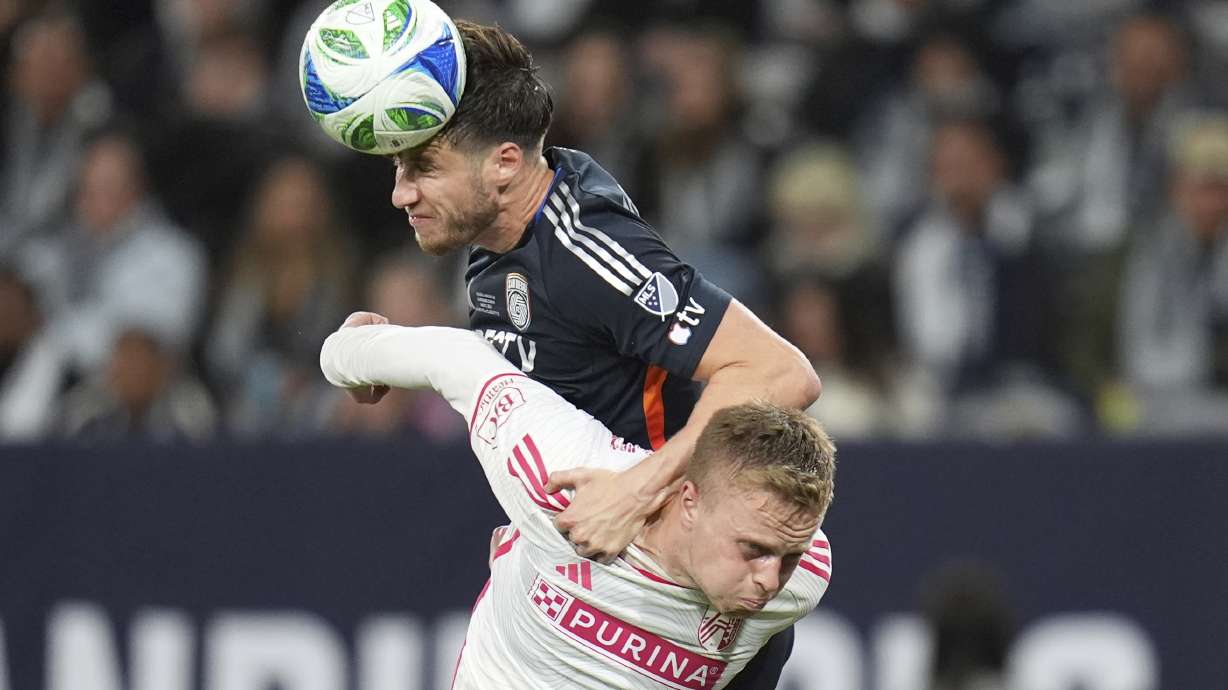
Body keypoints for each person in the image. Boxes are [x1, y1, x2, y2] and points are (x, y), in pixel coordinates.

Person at [372, 21, 821, 684]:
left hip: (674, 607)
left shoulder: (585, 251)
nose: (401, 192)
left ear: (505, 162)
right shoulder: (500, 244)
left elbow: (781, 372)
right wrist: (387, 350)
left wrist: (637, 491)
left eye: (425, 169)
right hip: (606, 593)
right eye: (399, 168)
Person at [319, 314, 835, 690]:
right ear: (689, 500)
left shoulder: (805, 577)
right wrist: (343, 356)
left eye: (787, 557)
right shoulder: (564, 480)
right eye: (753, 550)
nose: (770, 580)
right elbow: (455, 360)